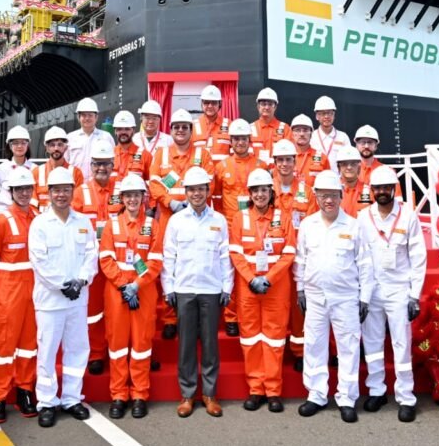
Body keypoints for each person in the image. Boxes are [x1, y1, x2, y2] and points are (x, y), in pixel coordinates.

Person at [293, 170, 373, 423]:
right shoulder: (308, 225)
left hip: (345, 297)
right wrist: (300, 289)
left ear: (341, 196)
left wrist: (365, 297)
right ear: (316, 197)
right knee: (314, 345)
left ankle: (346, 398)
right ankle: (316, 394)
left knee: (348, 348)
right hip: (315, 296)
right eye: (323, 195)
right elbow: (301, 260)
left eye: (333, 195)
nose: (328, 200)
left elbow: (365, 263)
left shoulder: (353, 226)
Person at [27, 166, 98, 428]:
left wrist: (81, 280)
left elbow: (91, 254)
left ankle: (71, 398)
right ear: (49, 193)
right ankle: (47, 402)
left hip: (77, 300)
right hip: (50, 301)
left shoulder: (83, 223)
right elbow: (39, 261)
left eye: (66, 190)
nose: (61, 195)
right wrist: (62, 285)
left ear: (72, 191)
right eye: (56, 190)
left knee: (77, 350)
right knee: (47, 352)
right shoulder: (40, 224)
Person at [161, 166, 233, 419]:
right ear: (186, 192)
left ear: (208, 190)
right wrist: (168, 287)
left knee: (211, 345)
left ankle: (210, 395)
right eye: (192, 190)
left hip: (211, 290)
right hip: (184, 290)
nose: (197, 194)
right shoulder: (176, 221)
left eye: (201, 189)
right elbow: (169, 256)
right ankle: (187, 394)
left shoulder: (219, 220)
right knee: (186, 346)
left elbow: (225, 256)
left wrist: (227, 287)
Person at [357, 165, 426, 423]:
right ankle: (377, 391)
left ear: (394, 189)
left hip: (399, 290)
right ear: (372, 190)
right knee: (372, 343)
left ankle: (406, 397)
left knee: (401, 344)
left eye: (387, 187)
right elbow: (358, 256)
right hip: (372, 290)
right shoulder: (363, 217)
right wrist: (362, 295)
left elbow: (418, 257)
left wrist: (414, 295)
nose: (383, 192)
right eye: (378, 188)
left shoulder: (408, 216)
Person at [229, 169, 295, 413]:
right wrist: (251, 279)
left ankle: (273, 390)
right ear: (250, 193)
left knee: (274, 339)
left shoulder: (283, 217)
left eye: (264, 190)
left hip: (275, 288)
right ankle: (256, 389)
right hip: (248, 289)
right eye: (255, 190)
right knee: (251, 339)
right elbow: (235, 253)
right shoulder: (240, 218)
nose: (260, 194)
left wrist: (268, 278)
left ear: (271, 192)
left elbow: (289, 252)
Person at [98, 173, 164, 419]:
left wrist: (137, 285)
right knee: (117, 345)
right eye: (128, 195)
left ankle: (139, 394)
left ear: (143, 198)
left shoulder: (153, 225)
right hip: (117, 292)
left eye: (136, 195)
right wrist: (125, 285)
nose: (132, 200)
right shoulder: (111, 225)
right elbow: (105, 259)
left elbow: (155, 261)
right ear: (122, 198)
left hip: (143, 292)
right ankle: (118, 395)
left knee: (141, 345)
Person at [147, 109, 214, 340]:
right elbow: (154, 184)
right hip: (169, 218)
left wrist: (195, 203)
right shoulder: (161, 154)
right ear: (171, 130)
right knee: (171, 264)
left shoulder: (202, 154)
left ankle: (196, 318)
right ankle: (170, 318)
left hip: (198, 216)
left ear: (191, 130)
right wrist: (171, 202)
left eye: (185, 127)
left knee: (197, 261)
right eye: (177, 127)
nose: (181, 130)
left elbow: (211, 183)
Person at [0, 167, 40, 423]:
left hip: (34, 291)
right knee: (5, 347)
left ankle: (25, 390)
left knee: (29, 345)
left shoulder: (39, 217)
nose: (24, 193)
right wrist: (1, 291)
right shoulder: (1, 221)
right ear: (12, 192)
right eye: (19, 189)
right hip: (10, 292)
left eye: (27, 188)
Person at [212, 118, 268, 336]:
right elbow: (216, 197)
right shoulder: (221, 167)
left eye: (244, 138)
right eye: (236, 139)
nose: (240, 142)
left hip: (255, 226)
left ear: (249, 140)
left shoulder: (261, 166)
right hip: (230, 226)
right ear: (231, 141)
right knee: (230, 270)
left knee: (254, 268)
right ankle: (231, 316)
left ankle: (251, 313)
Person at [71, 141, 122, 375]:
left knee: (119, 309)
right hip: (91, 261)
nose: (102, 168)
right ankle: (96, 353)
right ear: (91, 165)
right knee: (93, 312)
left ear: (113, 165)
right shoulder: (80, 192)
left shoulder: (122, 189)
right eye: (97, 164)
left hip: (118, 261)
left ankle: (118, 349)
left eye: (106, 163)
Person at [270, 139, 318, 370]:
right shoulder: (266, 189)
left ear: (294, 161)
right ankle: (276, 352)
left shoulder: (307, 192)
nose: (284, 164)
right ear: (275, 162)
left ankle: (299, 351)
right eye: (280, 160)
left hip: (299, 258)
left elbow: (313, 225)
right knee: (276, 307)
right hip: (275, 260)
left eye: (288, 159)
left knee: (300, 307)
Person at [32, 126, 84, 211]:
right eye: (52, 145)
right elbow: (32, 204)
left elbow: (77, 203)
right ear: (47, 148)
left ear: (65, 147)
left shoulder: (76, 173)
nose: (56, 148)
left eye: (60, 145)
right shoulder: (36, 172)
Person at [0, 125, 36, 215]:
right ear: (10, 146)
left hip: (28, 214)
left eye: (23, 143)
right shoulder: (1, 169)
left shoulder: (34, 169)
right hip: (6, 213)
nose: (20, 146)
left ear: (27, 145)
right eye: (15, 143)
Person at [67, 98, 115, 182]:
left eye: (90, 115)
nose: (87, 118)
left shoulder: (106, 137)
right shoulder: (70, 138)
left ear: (96, 117)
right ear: (78, 117)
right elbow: (65, 162)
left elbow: (113, 161)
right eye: (83, 115)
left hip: (99, 184)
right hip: (76, 184)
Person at [353, 125, 402, 201]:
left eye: (370, 142)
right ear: (356, 145)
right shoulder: (349, 171)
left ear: (376, 146)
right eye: (363, 142)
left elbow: (398, 201)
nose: (366, 146)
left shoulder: (388, 171)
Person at [250, 88, 291, 165]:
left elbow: (289, 154)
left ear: (275, 107)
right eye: (263, 104)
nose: (267, 107)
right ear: (258, 106)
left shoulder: (285, 128)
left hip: (278, 170)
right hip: (255, 170)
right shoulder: (250, 128)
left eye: (270, 104)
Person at [192, 84, 231, 162]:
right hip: (200, 169)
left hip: (223, 169)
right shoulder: (193, 126)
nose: (210, 106)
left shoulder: (229, 125)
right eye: (206, 102)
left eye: (214, 103)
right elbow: (190, 154)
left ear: (219, 104)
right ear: (201, 104)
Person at [310, 96, 351, 169]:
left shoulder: (343, 137)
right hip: (316, 175)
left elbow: (349, 159)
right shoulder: (311, 137)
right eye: (323, 113)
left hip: (337, 176)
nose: (326, 116)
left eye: (329, 113)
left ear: (334, 115)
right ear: (317, 116)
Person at [111, 110, 152, 182]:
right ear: (115, 131)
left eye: (127, 129)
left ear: (133, 131)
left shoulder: (145, 155)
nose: (123, 132)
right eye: (119, 129)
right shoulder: (109, 154)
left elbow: (151, 183)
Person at [290, 114, 330, 179]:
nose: (302, 134)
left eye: (305, 130)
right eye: (297, 130)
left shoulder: (322, 157)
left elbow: (329, 182)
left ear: (311, 133)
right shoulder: (284, 157)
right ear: (292, 133)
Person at [335, 146, 370, 217]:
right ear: (338, 167)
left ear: (359, 167)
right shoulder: (332, 190)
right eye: (344, 164)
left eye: (353, 164)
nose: (349, 167)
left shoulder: (370, 191)